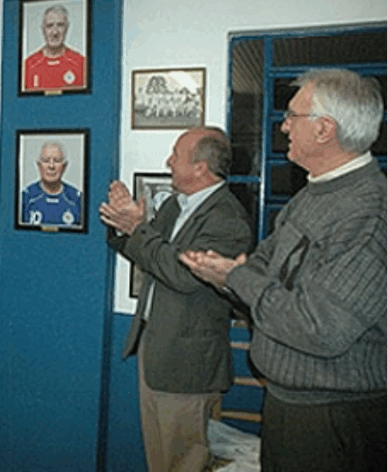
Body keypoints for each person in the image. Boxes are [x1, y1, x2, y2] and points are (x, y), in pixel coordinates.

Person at [180, 69, 386, 472]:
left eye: (293, 115)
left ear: (325, 129)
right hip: (292, 406)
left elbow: (319, 328)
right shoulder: (313, 193)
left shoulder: (369, 212)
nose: (284, 125)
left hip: (333, 418)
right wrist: (231, 276)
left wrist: (237, 278)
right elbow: (262, 264)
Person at [100, 127, 252, 472]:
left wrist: (138, 230)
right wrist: (123, 224)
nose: (168, 161)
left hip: (187, 366)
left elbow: (183, 274)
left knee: (183, 462)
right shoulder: (175, 204)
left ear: (200, 168)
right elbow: (150, 254)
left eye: (176, 154)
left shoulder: (227, 218)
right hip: (158, 351)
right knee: (161, 459)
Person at [23, 4, 85, 91]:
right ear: (43, 30)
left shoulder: (81, 63)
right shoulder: (29, 65)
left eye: (60, 25)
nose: (55, 32)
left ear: (67, 28)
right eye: (49, 26)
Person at [22, 141, 82, 227]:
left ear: (64, 166)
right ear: (39, 165)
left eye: (57, 161)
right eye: (46, 161)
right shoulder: (25, 198)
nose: (51, 166)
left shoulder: (77, 199)